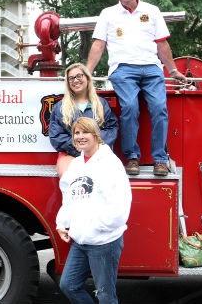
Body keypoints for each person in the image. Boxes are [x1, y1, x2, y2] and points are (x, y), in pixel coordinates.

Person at [86, 0, 186, 176]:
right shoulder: (108, 13)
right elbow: (99, 44)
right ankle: (132, 157)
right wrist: (87, 71)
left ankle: (160, 159)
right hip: (122, 68)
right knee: (130, 107)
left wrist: (173, 70)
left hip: (151, 67)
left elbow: (162, 44)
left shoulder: (152, 10)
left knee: (159, 108)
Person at [56, 116, 132, 304]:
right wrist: (62, 223)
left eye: (85, 132)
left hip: (103, 241)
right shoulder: (75, 165)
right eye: (77, 133)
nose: (80, 136)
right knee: (68, 285)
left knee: (106, 296)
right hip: (81, 239)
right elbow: (69, 197)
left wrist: (99, 226)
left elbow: (121, 200)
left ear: (96, 135)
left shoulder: (110, 163)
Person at [49, 63, 118, 176]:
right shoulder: (60, 107)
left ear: (87, 77)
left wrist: (94, 146)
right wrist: (78, 147)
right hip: (70, 154)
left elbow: (111, 128)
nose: (75, 80)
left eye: (79, 76)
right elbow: (56, 136)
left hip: (98, 152)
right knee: (70, 178)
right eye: (71, 78)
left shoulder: (101, 104)